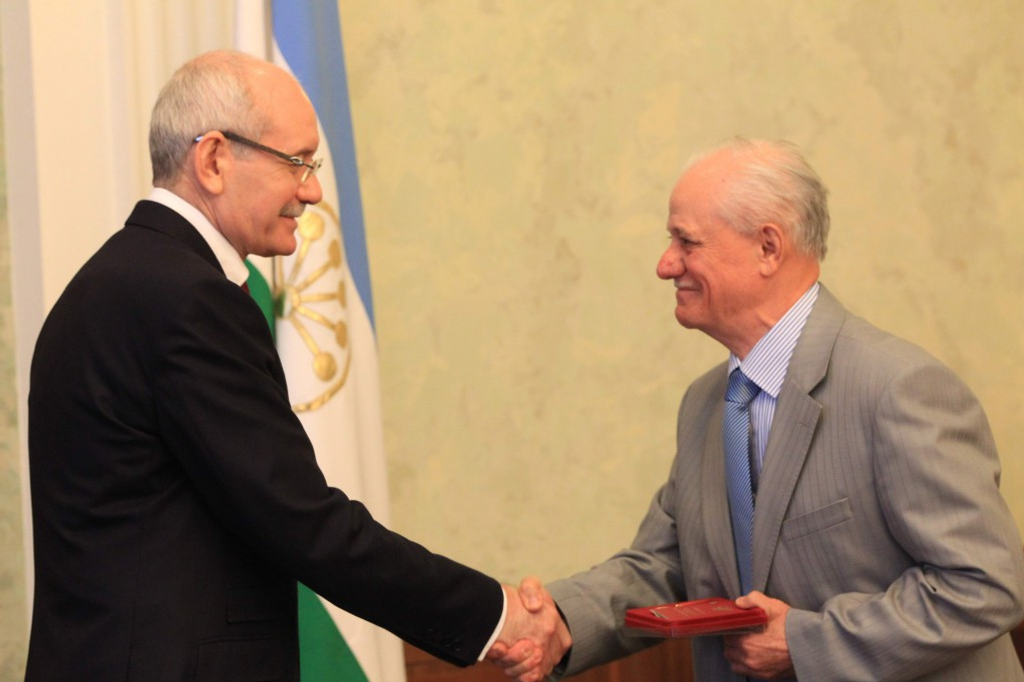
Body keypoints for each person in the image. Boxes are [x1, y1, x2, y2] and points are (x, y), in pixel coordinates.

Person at [25, 50, 568, 682]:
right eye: (297, 162)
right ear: (214, 159)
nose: (311, 190)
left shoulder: (117, 280)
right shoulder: (185, 298)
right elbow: (301, 521)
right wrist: (495, 615)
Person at [495, 138, 1024, 681]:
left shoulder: (899, 388)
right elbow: (668, 564)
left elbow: (985, 585)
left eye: (686, 241)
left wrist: (804, 642)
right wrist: (559, 619)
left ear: (768, 247)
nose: (665, 264)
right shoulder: (705, 404)